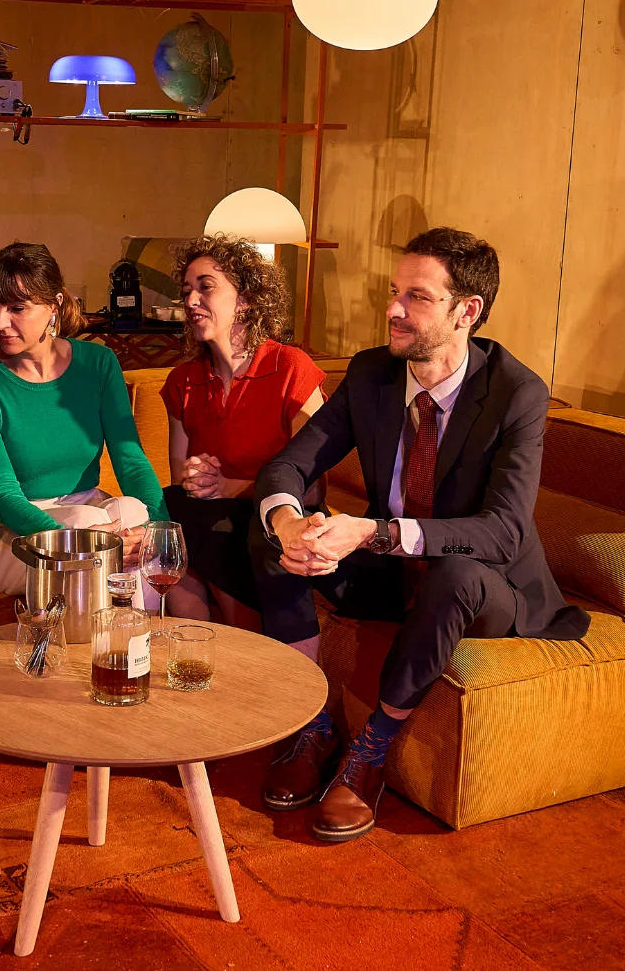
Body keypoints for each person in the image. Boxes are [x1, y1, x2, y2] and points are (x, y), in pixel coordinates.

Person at [252, 227, 588, 843]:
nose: (393, 309)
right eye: (393, 292)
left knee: (454, 574)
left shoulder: (516, 393)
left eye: (417, 297)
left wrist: (375, 532)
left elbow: (503, 532)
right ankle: (314, 726)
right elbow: (288, 467)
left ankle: (371, 751)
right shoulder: (372, 374)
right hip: (392, 572)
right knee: (273, 537)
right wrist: (289, 523)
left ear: (467, 311)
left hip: (485, 586)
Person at [0, 242, 170, 594]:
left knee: (134, 512)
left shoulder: (98, 363)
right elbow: (1, 493)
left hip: (86, 508)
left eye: (17, 308)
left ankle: (135, 629)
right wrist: (72, 541)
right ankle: (117, 628)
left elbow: (131, 460)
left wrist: (159, 528)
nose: (0, 322)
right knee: (86, 524)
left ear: (54, 305)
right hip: (10, 531)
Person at [161, 237, 325, 622]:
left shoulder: (291, 368)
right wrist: (198, 478)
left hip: (279, 516)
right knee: (170, 513)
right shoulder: (182, 381)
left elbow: (314, 489)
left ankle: (239, 644)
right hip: (208, 516)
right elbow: (180, 480)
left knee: (212, 528)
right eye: (186, 291)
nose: (190, 301)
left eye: (206, 287)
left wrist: (230, 486)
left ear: (246, 299)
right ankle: (191, 646)